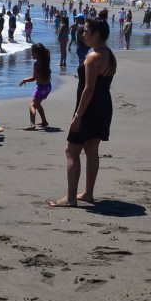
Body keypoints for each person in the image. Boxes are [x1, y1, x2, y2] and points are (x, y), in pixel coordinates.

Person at [49, 18, 117, 207]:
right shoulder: (109, 54)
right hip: (104, 106)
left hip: (90, 107)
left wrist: (78, 115)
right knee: (92, 149)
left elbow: (88, 89)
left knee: (72, 150)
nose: (82, 34)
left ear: (97, 34)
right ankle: (88, 193)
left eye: (86, 31)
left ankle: (71, 198)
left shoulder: (93, 57)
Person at [20, 42, 52, 130]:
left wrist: (24, 79)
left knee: (32, 105)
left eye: (32, 52)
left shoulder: (37, 64)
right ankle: (44, 121)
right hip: (48, 86)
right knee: (37, 104)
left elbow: (33, 78)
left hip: (41, 88)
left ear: (38, 54)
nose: (31, 54)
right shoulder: (45, 60)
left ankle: (32, 124)